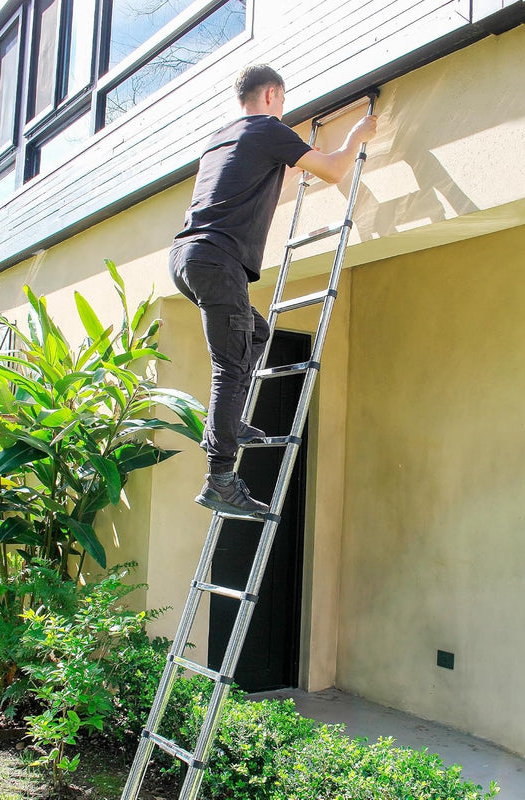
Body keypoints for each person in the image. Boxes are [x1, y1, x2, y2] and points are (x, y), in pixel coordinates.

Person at [169, 64, 377, 518]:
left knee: (255, 336)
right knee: (229, 364)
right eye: (282, 101)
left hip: (188, 258)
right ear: (272, 96)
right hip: (217, 261)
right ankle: (220, 478)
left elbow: (244, 186)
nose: (283, 109)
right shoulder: (268, 129)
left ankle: (229, 425)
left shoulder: (221, 138)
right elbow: (336, 172)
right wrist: (356, 136)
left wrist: (294, 164)